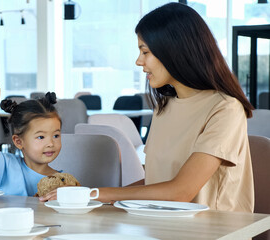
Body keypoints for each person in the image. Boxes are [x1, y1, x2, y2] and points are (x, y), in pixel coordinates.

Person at [40, 3, 255, 212]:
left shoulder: (225, 109)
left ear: (174, 51)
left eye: (145, 52)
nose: (138, 61)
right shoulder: (165, 106)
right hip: (160, 225)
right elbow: (156, 184)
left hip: (214, 232)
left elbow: (179, 192)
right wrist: (90, 198)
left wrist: (92, 194)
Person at [0, 72, 62, 196]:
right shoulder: (8, 166)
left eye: (56, 135)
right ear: (19, 141)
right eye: (41, 137)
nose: (51, 143)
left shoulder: (62, 181)